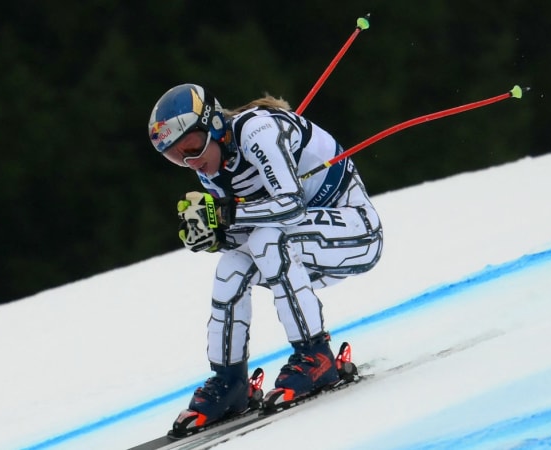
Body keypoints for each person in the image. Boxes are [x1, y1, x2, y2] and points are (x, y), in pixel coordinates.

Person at [147, 83, 384, 432]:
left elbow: (289, 205)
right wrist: (217, 237)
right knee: (232, 267)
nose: (190, 161)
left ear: (212, 124)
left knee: (270, 242)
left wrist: (226, 215)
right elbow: (247, 233)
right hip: (302, 250)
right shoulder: (209, 169)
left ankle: (316, 355)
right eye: (175, 156)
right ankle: (230, 382)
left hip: (356, 232)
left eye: (192, 147)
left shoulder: (258, 130)